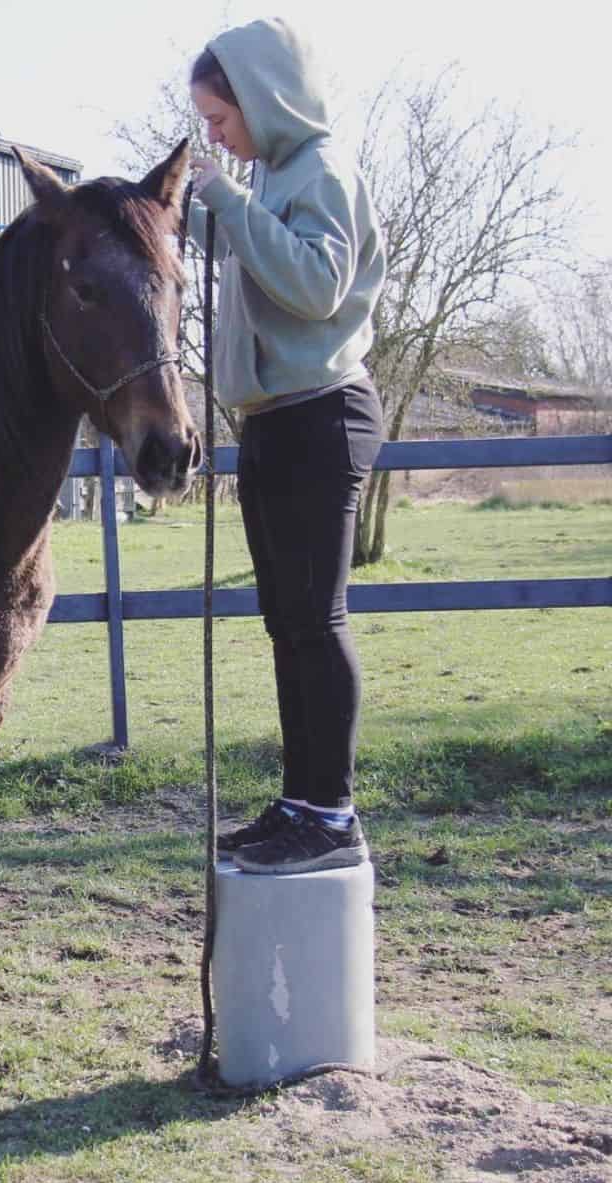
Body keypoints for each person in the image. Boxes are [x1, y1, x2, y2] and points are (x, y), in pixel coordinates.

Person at [186, 17, 386, 874]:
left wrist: (226, 200)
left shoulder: (323, 172)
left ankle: (332, 811)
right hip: (271, 420)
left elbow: (312, 287)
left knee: (316, 617)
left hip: (322, 415)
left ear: (260, 99)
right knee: (285, 623)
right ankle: (301, 800)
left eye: (219, 119)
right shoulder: (267, 178)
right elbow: (252, 262)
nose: (213, 137)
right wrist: (200, 213)